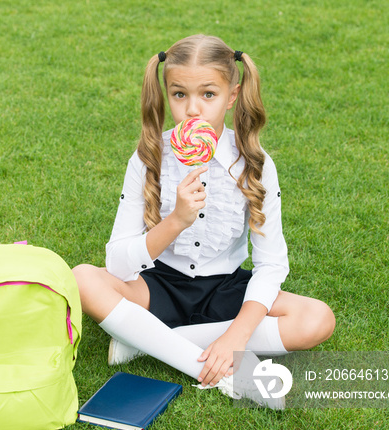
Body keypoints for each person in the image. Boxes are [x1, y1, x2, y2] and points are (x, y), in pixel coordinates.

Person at [73, 34, 335, 409]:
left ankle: (145, 340)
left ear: (232, 95)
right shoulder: (149, 157)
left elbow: (271, 263)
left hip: (226, 288)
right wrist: (176, 220)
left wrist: (238, 336)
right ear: (167, 94)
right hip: (157, 285)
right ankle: (212, 369)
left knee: (316, 319)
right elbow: (116, 262)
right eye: (180, 95)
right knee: (83, 278)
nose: (192, 110)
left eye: (208, 95)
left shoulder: (254, 163)